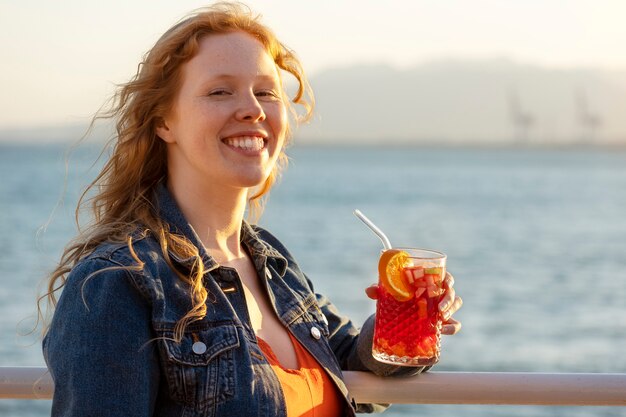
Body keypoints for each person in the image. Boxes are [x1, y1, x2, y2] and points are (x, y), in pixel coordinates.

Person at [41, 3, 462, 416]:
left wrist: (403, 322)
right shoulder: (117, 282)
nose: (253, 109)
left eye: (265, 92)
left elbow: (348, 365)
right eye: (220, 91)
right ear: (163, 121)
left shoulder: (272, 263)